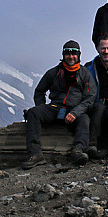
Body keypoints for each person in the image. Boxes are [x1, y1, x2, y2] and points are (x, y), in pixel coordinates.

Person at [21, 40, 96, 169]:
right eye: (68, 53)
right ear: (63, 55)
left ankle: (78, 151)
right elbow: (39, 91)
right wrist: (41, 107)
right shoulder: (54, 72)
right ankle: (35, 154)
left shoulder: (84, 74)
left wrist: (75, 112)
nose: (71, 56)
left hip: (75, 111)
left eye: (74, 54)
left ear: (79, 55)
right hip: (55, 108)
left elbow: (90, 97)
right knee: (34, 113)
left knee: (84, 120)